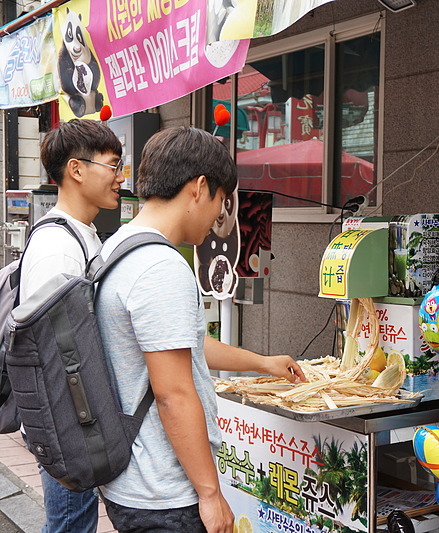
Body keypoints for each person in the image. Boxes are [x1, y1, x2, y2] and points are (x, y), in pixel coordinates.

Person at [94, 126, 306, 533]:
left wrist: (262, 362)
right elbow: (172, 393)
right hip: (164, 495)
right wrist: (210, 493)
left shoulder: (119, 246)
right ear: (199, 187)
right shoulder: (161, 267)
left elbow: (184, 344)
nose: (218, 217)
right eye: (222, 202)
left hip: (134, 479)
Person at [21, 119, 125, 532]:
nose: (120, 177)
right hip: (67, 423)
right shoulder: (57, 247)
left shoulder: (82, 236)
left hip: (77, 418)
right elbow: (49, 356)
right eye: (113, 165)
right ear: (77, 170)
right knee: (69, 524)